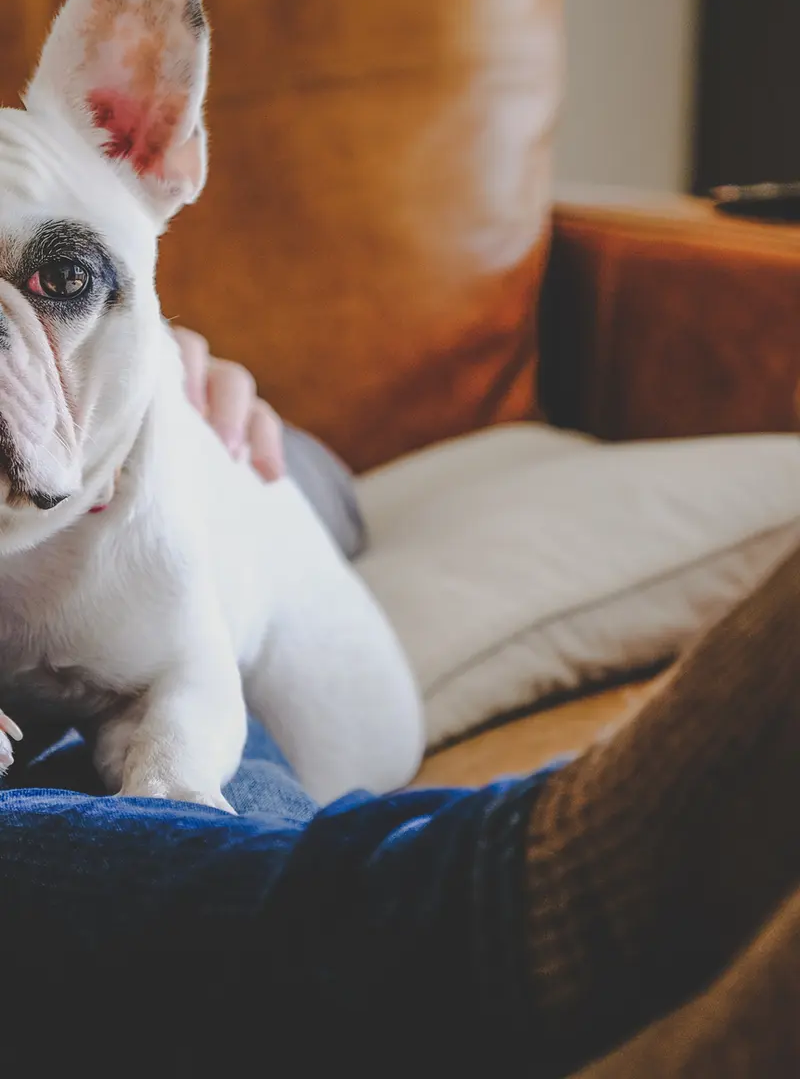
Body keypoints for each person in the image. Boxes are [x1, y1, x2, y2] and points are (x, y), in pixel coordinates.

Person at [2, 325, 799, 1076]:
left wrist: (121, 353)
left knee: (166, 712)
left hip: (221, 472)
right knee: (159, 773)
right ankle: (507, 905)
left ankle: (501, 907)